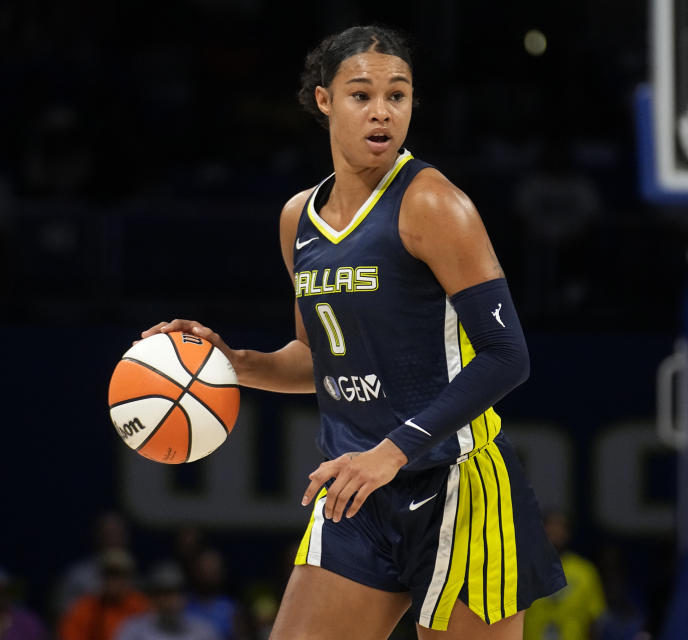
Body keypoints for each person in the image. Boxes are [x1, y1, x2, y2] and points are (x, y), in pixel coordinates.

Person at [140, 24, 566, 639]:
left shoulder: (433, 204)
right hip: (357, 490)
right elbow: (318, 359)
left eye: (399, 95)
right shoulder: (299, 219)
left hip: (457, 489)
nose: (382, 112)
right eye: (361, 95)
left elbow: (507, 356)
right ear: (323, 100)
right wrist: (227, 364)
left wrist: (391, 452)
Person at [523, 510, 606, 640]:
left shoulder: (584, 571)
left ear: (568, 533)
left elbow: (594, 619)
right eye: (550, 526)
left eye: (560, 527)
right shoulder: (523, 570)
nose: (555, 532)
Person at [58, 549, 149, 640]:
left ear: (129, 579)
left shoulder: (140, 606)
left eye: (119, 575)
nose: (113, 581)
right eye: (108, 575)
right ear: (100, 578)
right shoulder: (84, 608)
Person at [115, 562, 219, 640]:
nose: (170, 601)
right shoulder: (134, 630)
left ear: (184, 597)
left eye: (176, 593)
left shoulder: (203, 632)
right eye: (164, 594)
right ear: (154, 599)